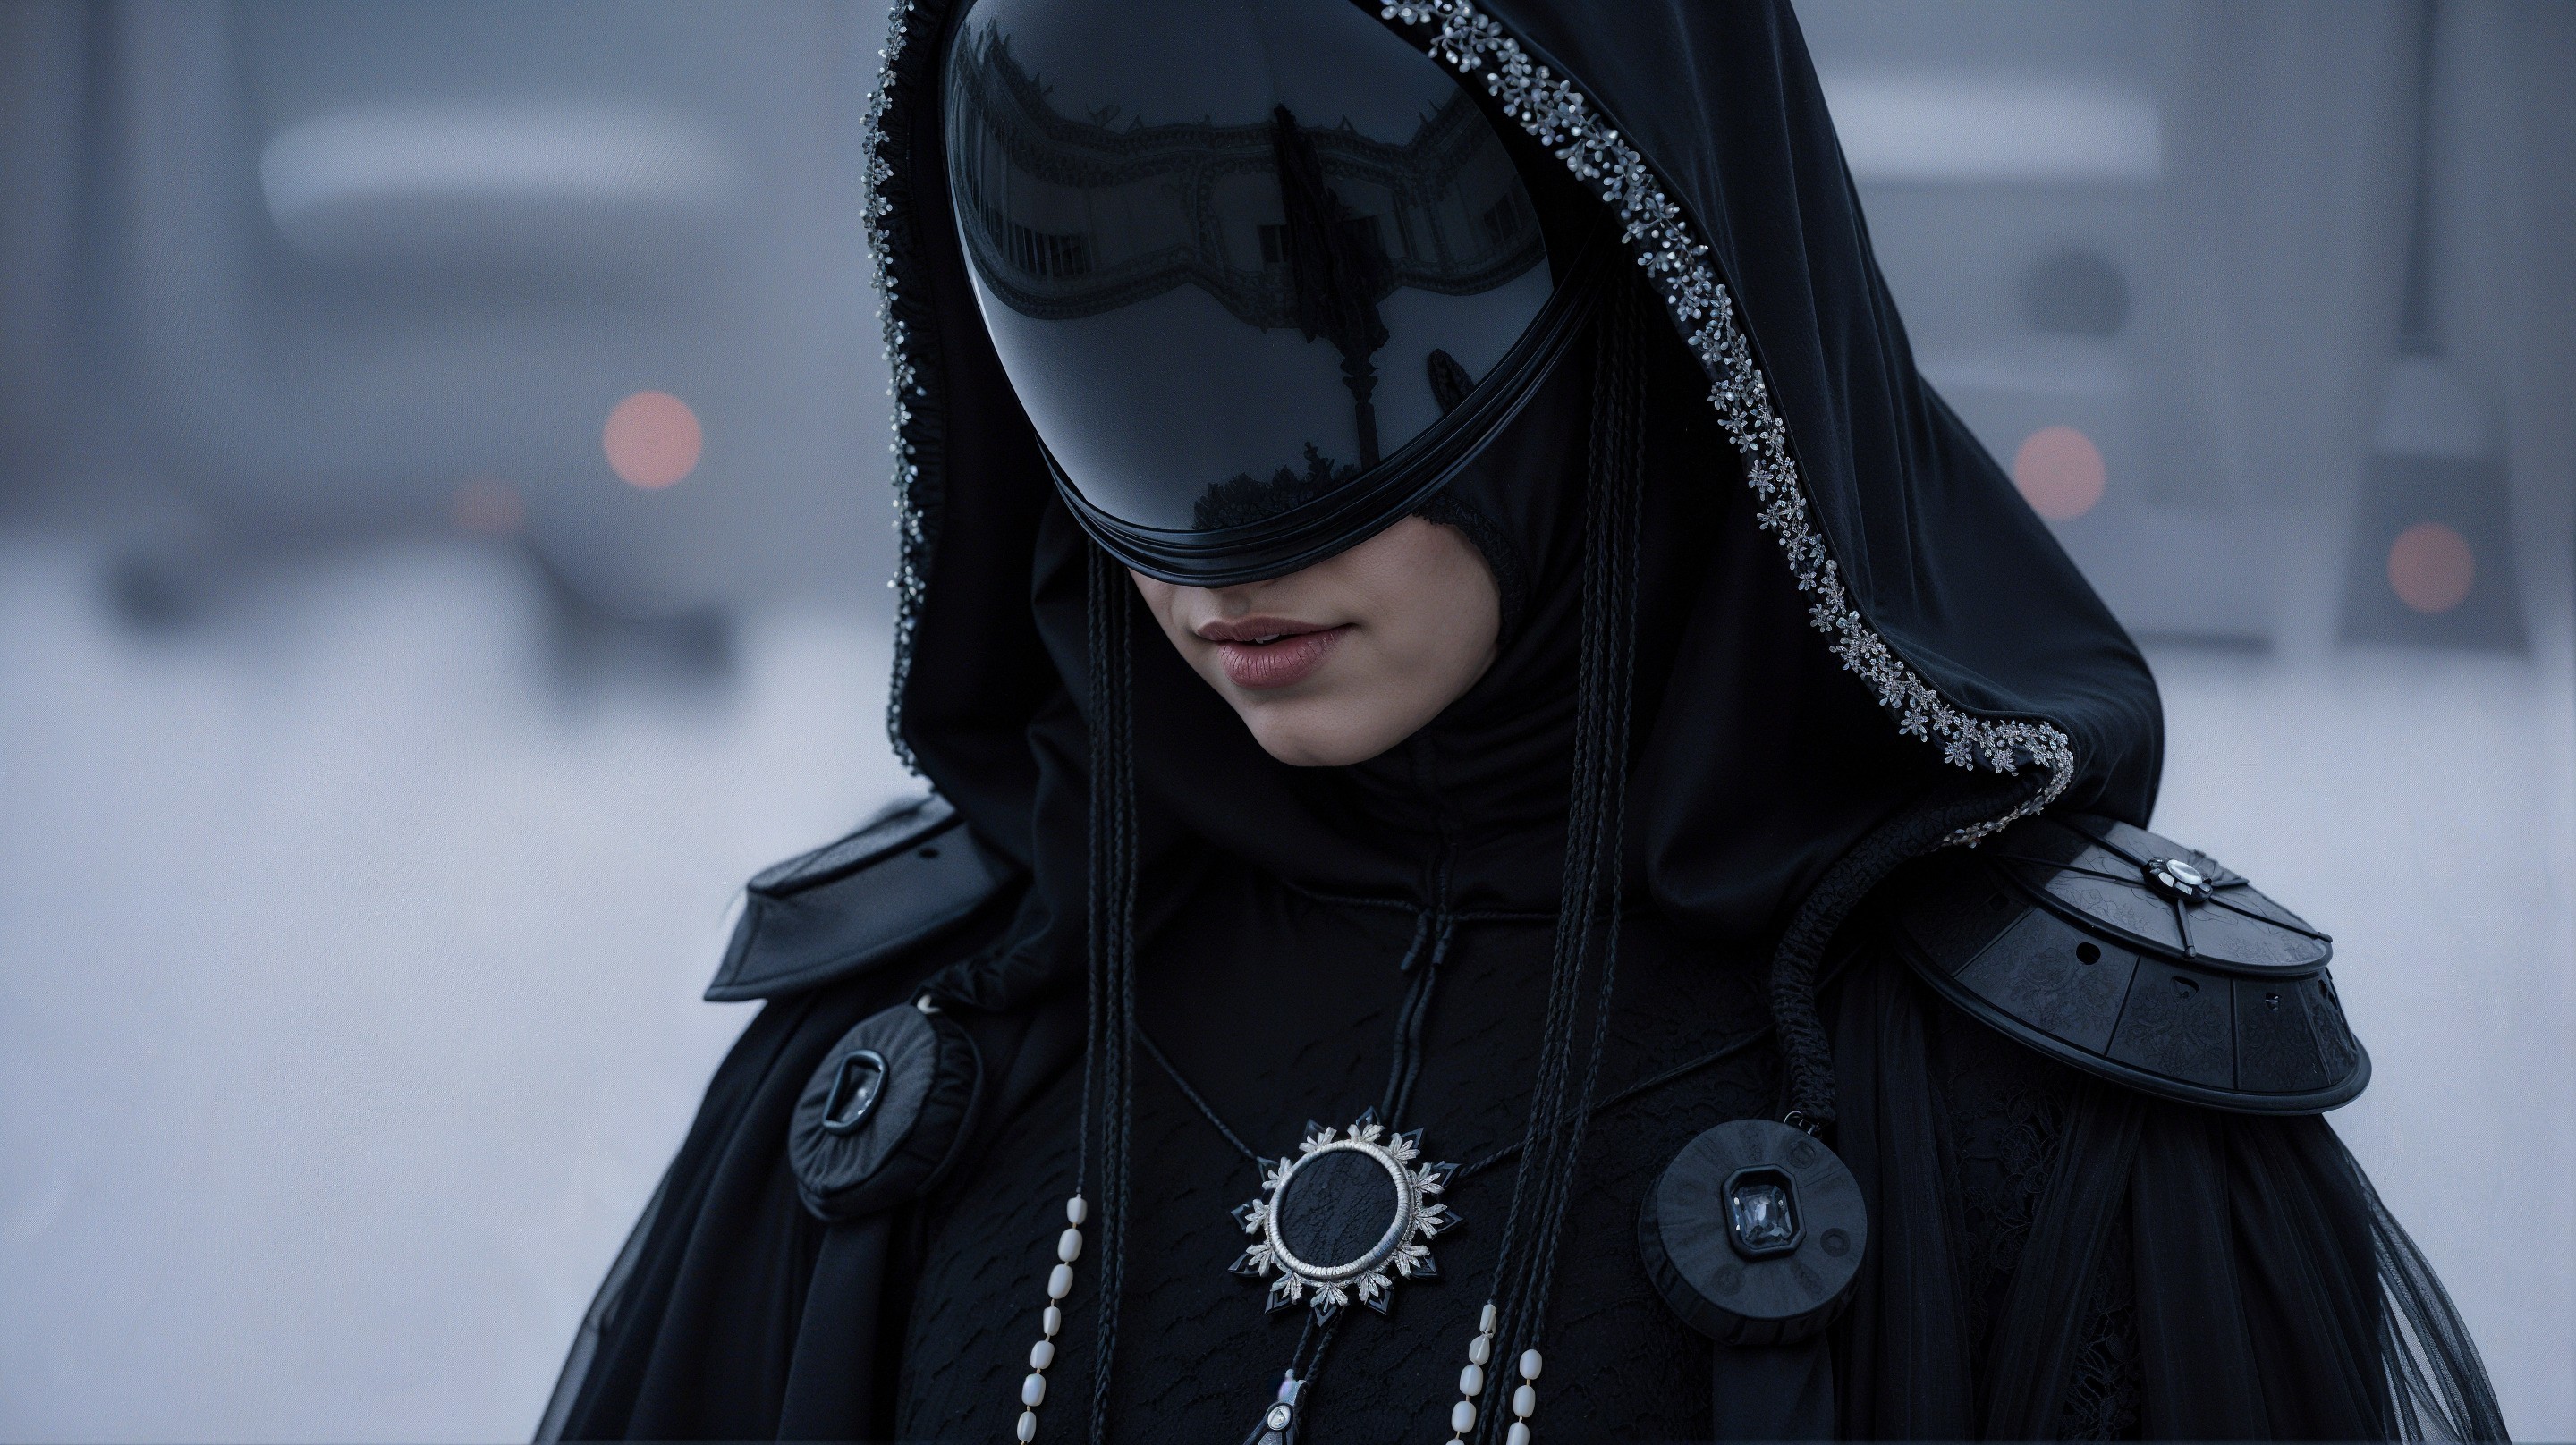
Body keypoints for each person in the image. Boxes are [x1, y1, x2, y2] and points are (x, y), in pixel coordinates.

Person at [540, 1, 2507, 1440]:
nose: (1226, 547)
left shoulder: (2049, 1138)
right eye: (1110, 355)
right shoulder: (921, 1062)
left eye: (1331, 333)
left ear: (1644, 295)